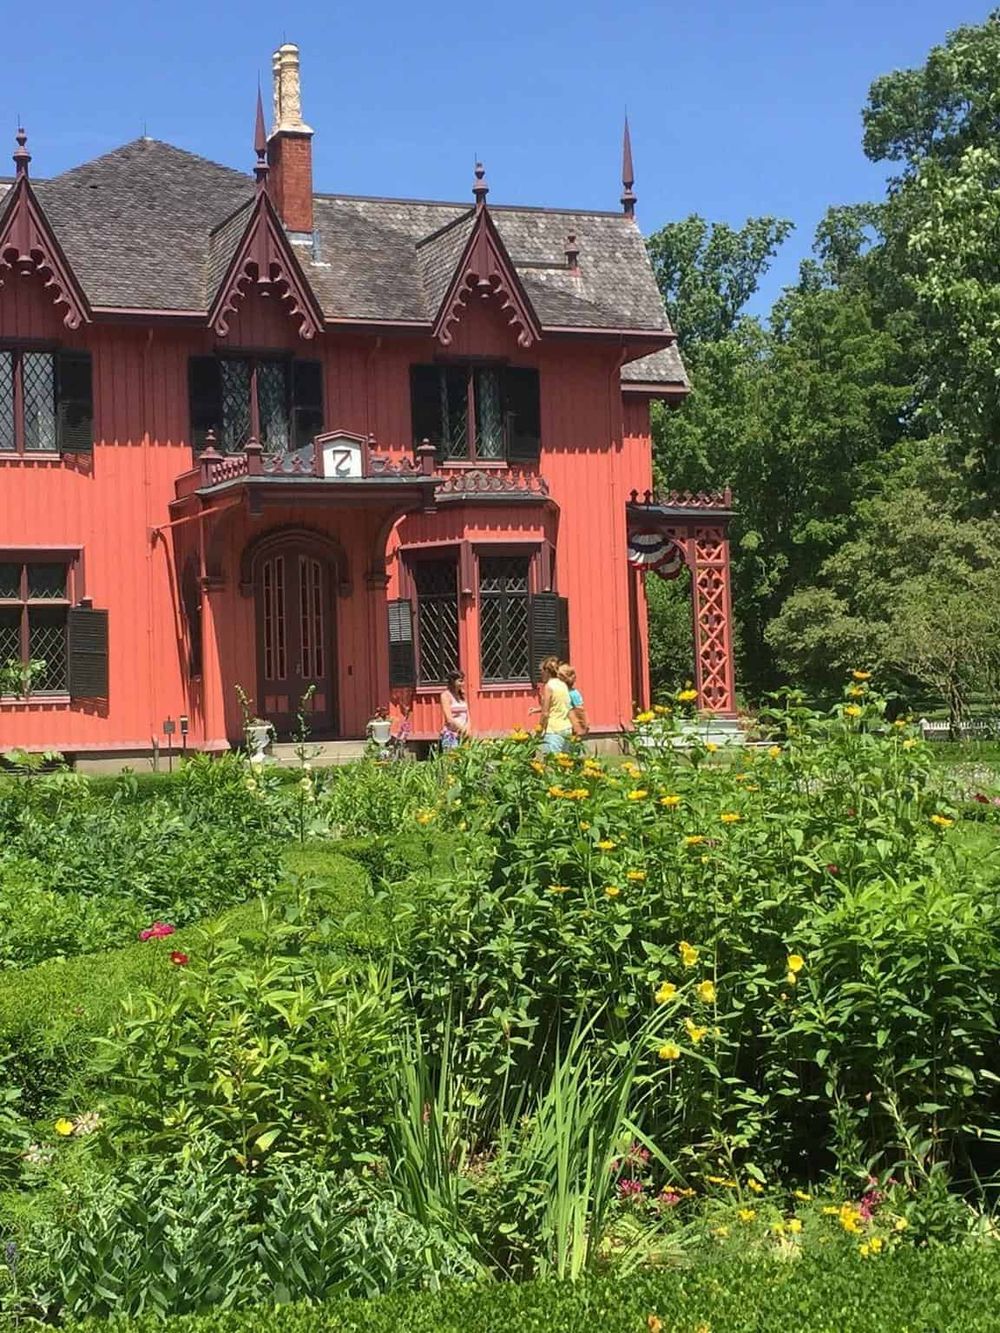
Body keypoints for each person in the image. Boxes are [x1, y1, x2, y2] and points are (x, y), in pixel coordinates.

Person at [538, 656, 573, 754]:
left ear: (547, 672)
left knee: (551, 763)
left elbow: (545, 713)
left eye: (541, 671)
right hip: (567, 729)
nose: (541, 674)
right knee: (564, 765)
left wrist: (539, 730)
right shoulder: (563, 684)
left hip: (554, 730)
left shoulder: (549, 687)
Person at [439, 671, 470, 750]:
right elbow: (449, 719)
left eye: (463, 680)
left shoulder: (462, 695)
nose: (462, 683)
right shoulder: (445, 695)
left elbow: (467, 714)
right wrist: (461, 729)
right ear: (453, 681)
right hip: (451, 735)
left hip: (464, 735)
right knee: (452, 759)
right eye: (460, 681)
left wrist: (468, 728)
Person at [558, 663, 589, 739]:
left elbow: (580, 710)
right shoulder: (561, 692)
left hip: (572, 725)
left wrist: (583, 725)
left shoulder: (573, 694)